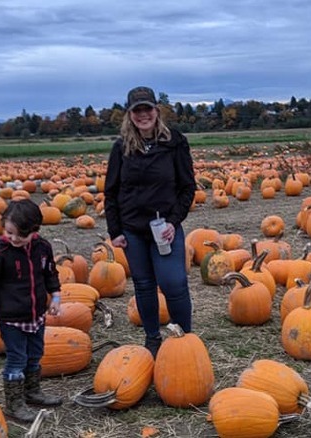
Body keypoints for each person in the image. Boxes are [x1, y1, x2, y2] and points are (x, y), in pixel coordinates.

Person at [104, 86, 196, 357]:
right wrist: (115, 230)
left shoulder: (174, 142)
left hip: (165, 228)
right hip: (133, 230)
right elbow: (111, 191)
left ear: (157, 111)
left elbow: (187, 187)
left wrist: (173, 221)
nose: (143, 115)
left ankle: (184, 339)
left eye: (148, 109)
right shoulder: (121, 148)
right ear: (130, 115)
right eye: (137, 110)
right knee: (143, 285)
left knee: (174, 283)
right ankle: (153, 337)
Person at [0, 199, 63, 421]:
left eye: (20, 235)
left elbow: (50, 273)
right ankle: (14, 404)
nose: (14, 238)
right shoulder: (0, 254)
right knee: (17, 358)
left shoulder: (43, 248)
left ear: (35, 230)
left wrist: (55, 296)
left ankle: (32, 392)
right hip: (11, 319)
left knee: (35, 355)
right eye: (9, 232)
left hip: (37, 316)